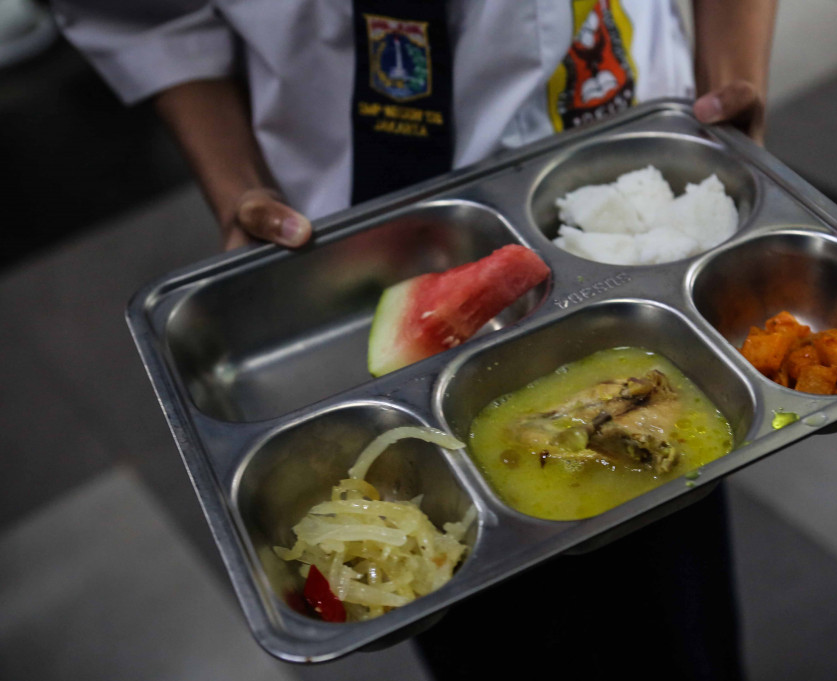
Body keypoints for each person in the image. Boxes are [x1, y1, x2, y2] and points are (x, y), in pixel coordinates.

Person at [53, 1, 776, 678]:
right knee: (481, 628)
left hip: (629, 206)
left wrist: (734, 77)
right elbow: (144, 14)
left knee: (678, 602)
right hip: (348, 244)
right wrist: (233, 181)